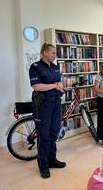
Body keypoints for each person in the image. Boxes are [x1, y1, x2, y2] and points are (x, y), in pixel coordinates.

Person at [29, 43, 66, 179]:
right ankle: (43, 165)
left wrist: (59, 86)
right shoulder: (35, 67)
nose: (55, 55)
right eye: (53, 53)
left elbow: (59, 83)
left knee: (53, 134)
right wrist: (54, 86)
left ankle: (52, 160)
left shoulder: (55, 68)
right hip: (43, 106)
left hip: (56, 104)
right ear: (45, 52)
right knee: (43, 137)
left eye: (55, 53)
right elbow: (36, 86)